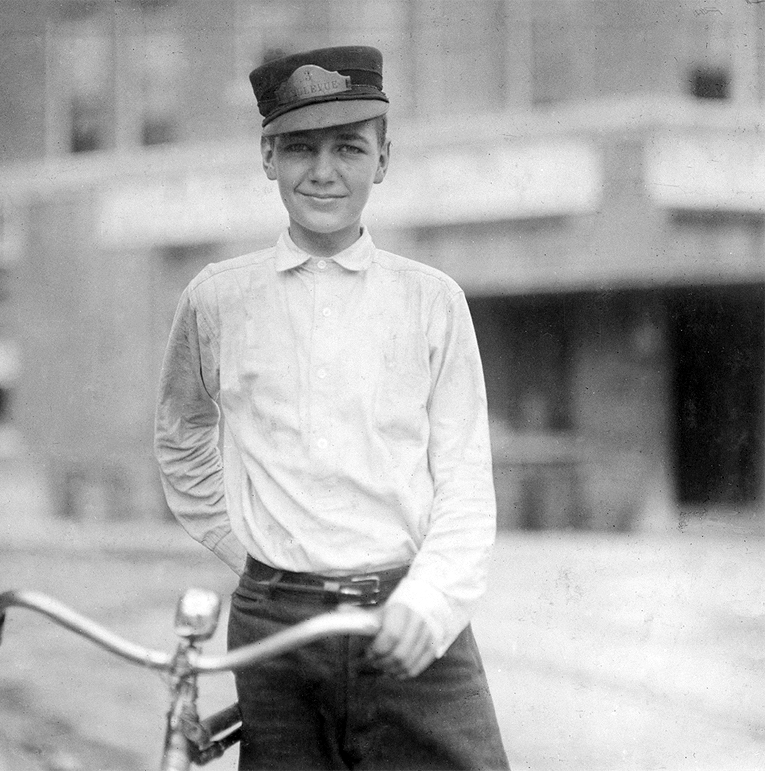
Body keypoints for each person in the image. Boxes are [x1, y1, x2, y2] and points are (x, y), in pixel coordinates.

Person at [155, 45, 508, 770]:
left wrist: (430, 600)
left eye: (348, 147)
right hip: (273, 626)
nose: (323, 172)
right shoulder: (217, 298)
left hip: (405, 611)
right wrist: (256, 552)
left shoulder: (430, 300)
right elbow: (183, 436)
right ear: (267, 157)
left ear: (382, 159)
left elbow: (466, 480)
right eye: (299, 149)